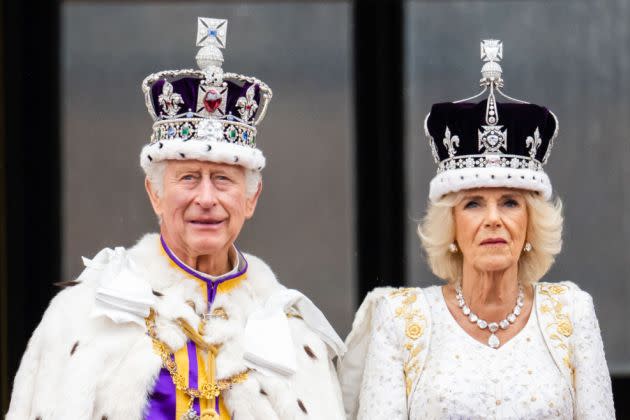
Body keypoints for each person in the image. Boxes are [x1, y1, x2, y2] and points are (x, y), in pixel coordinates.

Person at [6, 17, 346, 420]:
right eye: (188, 178)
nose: (206, 198)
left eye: (223, 179)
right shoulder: (82, 315)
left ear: (252, 198)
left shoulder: (295, 334)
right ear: (155, 194)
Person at [338, 40, 615, 419]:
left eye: (510, 202)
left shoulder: (572, 313)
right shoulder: (401, 319)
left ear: (531, 222)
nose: (493, 219)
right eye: (472, 203)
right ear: (450, 224)